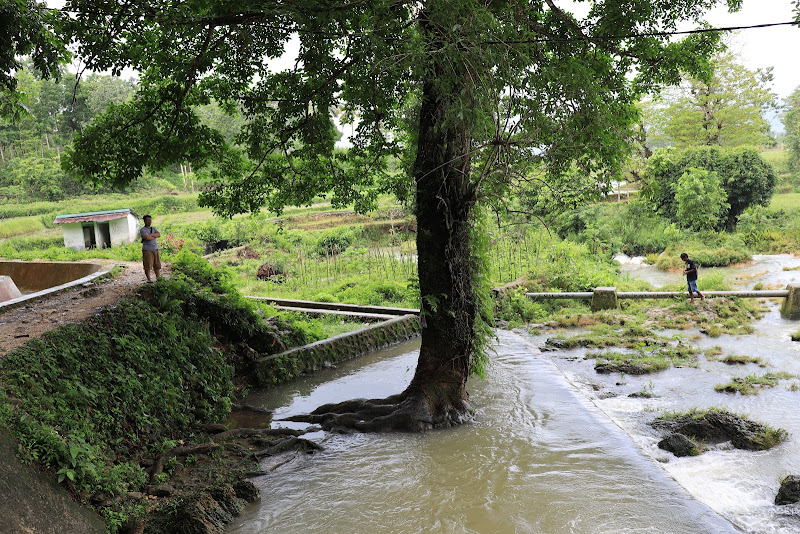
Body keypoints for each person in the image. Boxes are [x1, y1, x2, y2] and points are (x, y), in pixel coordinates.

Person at [140, 215, 161, 282]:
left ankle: (158, 278)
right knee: (147, 265)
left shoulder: (154, 228)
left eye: (150, 220)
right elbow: (147, 238)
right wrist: (153, 236)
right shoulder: (143, 229)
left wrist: (150, 235)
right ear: (144, 221)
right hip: (147, 250)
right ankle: (149, 279)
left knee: (157, 265)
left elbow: (159, 235)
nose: (149, 221)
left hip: (155, 249)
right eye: (148, 220)